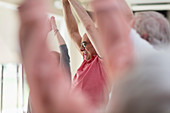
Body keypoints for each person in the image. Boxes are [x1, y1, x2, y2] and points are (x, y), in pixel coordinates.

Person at [62, 0, 109, 108]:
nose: (81, 48)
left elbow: (89, 27)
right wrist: (65, 4)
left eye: (85, 44)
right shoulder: (87, 59)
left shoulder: (103, 61)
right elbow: (73, 32)